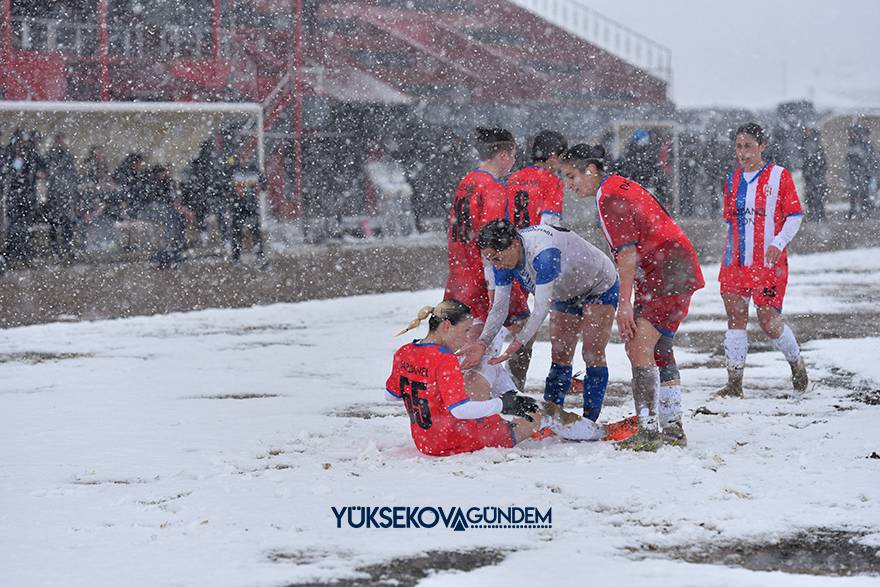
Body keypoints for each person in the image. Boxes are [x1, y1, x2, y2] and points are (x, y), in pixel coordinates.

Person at [559, 144, 705, 451]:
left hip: (666, 270)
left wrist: (624, 303)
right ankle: (673, 426)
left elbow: (626, 254)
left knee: (639, 346)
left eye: (572, 176)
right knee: (660, 348)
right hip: (675, 265)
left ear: (591, 170)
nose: (569, 184)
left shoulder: (609, 196)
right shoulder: (618, 184)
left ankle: (649, 430)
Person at [386, 300, 628, 457]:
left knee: (482, 367)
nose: (466, 338)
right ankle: (602, 433)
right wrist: (504, 405)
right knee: (544, 411)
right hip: (457, 439)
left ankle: (515, 399)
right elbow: (460, 411)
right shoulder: (444, 359)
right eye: (465, 331)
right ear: (447, 326)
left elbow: (390, 396)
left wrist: (429, 392)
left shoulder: (406, 351)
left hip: (426, 441)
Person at [465, 219, 619, 425]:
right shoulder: (503, 258)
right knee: (560, 354)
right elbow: (500, 306)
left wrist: (518, 343)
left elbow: (540, 310)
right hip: (565, 290)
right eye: (490, 259)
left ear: (514, 244)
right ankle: (551, 417)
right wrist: (483, 342)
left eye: (497, 257)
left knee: (592, 352)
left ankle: (590, 420)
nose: (496, 264)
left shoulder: (543, 254)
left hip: (598, 284)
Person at [714, 123, 808, 398]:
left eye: (748, 146)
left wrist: (778, 242)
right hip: (735, 263)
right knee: (735, 318)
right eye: (738, 146)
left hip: (768, 266)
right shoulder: (732, 180)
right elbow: (731, 219)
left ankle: (797, 367)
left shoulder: (780, 176)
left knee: (768, 322)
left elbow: (794, 216)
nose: (742, 153)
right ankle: (734, 384)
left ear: (762, 146)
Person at [445, 127, 531, 390]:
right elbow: (491, 245)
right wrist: (494, 288)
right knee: (484, 354)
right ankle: (482, 415)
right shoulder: (492, 188)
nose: (514, 162)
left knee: (461, 351)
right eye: (514, 155)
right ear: (504, 154)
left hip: (458, 278)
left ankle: (504, 400)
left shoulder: (466, 181)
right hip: (481, 283)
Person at [505, 130, 567, 228]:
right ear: (553, 158)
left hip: (515, 240)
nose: (563, 164)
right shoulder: (554, 181)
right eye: (562, 158)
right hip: (537, 240)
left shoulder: (513, 178)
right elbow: (550, 222)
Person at [227, 154, 267, 264]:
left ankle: (260, 256)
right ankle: (236, 258)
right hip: (238, 206)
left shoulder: (255, 170)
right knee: (236, 232)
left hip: (251, 206)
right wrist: (235, 191)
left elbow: (264, 186)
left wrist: (258, 187)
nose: (245, 159)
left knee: (255, 232)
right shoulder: (234, 170)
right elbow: (227, 187)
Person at [801, 127, 827, 222]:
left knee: (816, 195)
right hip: (810, 175)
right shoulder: (806, 143)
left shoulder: (813, 145)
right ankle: (815, 214)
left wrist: (815, 171)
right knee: (811, 196)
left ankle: (818, 214)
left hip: (814, 175)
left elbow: (820, 161)